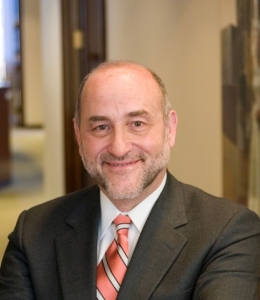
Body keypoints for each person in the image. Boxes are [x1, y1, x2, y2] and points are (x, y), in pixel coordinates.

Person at [0, 61, 260, 300]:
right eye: (101, 127)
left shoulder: (229, 232)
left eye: (137, 123)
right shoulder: (32, 231)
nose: (119, 147)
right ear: (79, 135)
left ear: (170, 129)